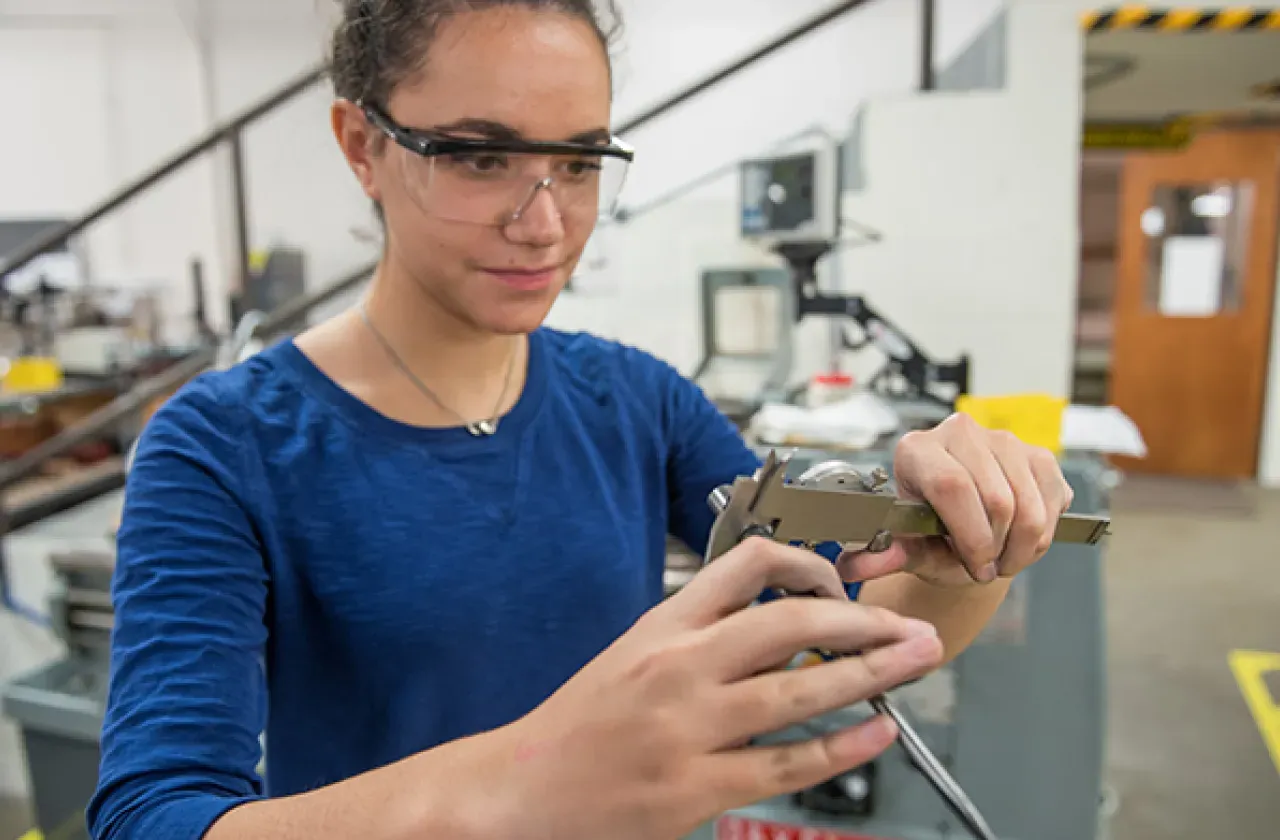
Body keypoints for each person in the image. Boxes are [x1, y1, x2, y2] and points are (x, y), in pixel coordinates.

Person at [86, 2, 1075, 839]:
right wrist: (521, 783)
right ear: (362, 147)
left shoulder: (638, 403)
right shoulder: (222, 445)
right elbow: (154, 816)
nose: (544, 223)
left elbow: (845, 634)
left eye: (580, 163)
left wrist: (965, 552)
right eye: (479, 158)